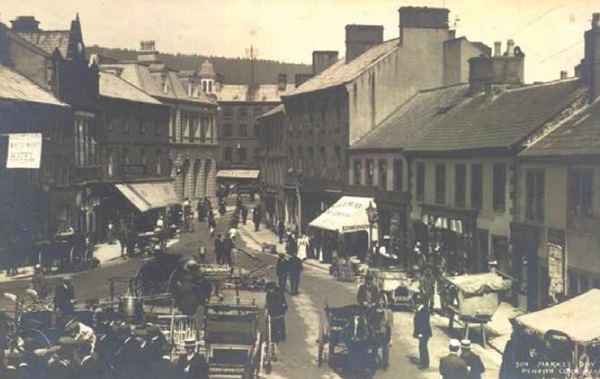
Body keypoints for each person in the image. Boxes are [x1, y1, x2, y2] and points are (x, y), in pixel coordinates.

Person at [413, 296, 432, 369]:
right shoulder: (420, 310)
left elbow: (423, 323)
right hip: (423, 332)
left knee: (423, 347)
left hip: (424, 333)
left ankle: (424, 363)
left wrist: (421, 333)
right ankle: (423, 361)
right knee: (421, 347)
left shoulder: (424, 311)